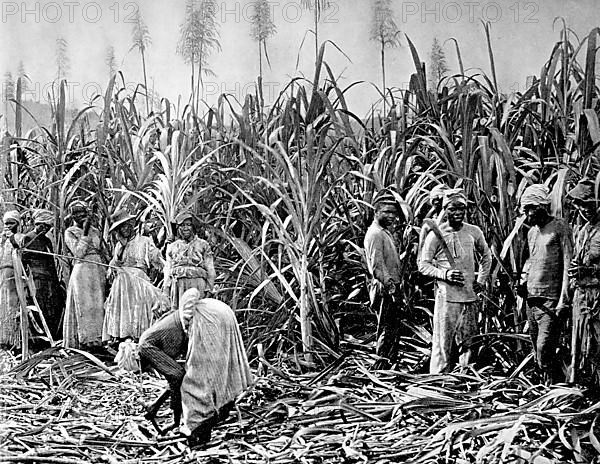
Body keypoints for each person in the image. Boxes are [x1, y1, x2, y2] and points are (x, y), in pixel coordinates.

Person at [419, 188, 492, 373]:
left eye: (462, 208)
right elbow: (423, 265)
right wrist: (445, 274)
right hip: (447, 298)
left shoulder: (473, 232)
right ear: (445, 209)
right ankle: (438, 382)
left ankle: (464, 378)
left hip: (469, 297)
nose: (458, 213)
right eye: (452, 209)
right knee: (443, 343)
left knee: (468, 342)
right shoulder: (436, 234)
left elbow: (486, 256)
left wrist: (481, 280)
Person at [180, 289, 252, 448]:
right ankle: (217, 410)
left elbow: (180, 372)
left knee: (196, 378)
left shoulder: (182, 320)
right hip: (221, 312)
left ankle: (195, 427)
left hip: (208, 319)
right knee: (221, 367)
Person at [520, 183, 573, 384]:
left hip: (551, 299)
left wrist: (563, 300)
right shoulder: (532, 232)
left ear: (541, 206)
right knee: (536, 347)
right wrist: (524, 281)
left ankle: (556, 385)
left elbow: (568, 263)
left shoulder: (560, 227)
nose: (527, 214)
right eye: (525, 209)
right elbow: (531, 259)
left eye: (529, 209)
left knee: (545, 346)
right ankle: (545, 388)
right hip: (532, 298)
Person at [103, 209, 166, 343]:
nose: (124, 229)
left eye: (126, 225)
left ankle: (139, 338)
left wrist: (161, 253)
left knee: (140, 308)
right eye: (120, 227)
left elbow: (155, 258)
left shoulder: (144, 241)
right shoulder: (119, 246)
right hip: (122, 283)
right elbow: (114, 266)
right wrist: (122, 247)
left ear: (131, 224)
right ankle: (123, 338)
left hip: (138, 280)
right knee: (125, 310)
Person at [138, 295, 193, 429]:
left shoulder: (179, 320)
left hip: (151, 342)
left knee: (176, 374)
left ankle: (154, 407)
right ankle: (175, 421)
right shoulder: (176, 326)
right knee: (177, 376)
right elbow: (175, 375)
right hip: (148, 346)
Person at [363, 189, 404, 368]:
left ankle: (389, 362)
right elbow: (377, 267)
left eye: (393, 213)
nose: (391, 216)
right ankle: (383, 366)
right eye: (386, 212)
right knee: (386, 328)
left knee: (392, 326)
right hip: (384, 287)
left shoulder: (383, 232)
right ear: (376, 212)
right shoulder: (375, 234)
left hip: (390, 286)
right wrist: (390, 286)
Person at [567, 179, 600, 386]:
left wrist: (591, 269)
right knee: (581, 342)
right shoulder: (582, 230)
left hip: (597, 296)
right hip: (581, 295)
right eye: (580, 204)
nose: (584, 209)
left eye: (589, 204)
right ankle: (585, 386)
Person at [63, 200, 107, 349]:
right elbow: (78, 253)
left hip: (97, 269)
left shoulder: (96, 230)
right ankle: (86, 340)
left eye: (82, 213)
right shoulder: (70, 232)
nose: (79, 217)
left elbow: (100, 249)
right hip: (82, 270)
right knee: (85, 304)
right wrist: (85, 232)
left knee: (97, 304)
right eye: (76, 214)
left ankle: (99, 340)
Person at [21, 209, 64, 340]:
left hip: (49, 278)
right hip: (36, 278)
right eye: (42, 225)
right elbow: (23, 261)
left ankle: (53, 335)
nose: (45, 229)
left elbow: (51, 262)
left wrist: (57, 281)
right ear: (36, 223)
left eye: (48, 227)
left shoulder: (47, 241)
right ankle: (39, 338)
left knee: (52, 306)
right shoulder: (28, 238)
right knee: (39, 305)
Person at [164, 212, 215, 311]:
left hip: (197, 283)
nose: (185, 228)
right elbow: (168, 269)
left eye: (188, 225)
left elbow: (210, 268)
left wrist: (209, 287)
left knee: (198, 313)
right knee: (179, 315)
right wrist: (166, 288)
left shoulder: (203, 245)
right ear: (178, 228)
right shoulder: (172, 247)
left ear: (193, 227)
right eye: (182, 225)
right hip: (178, 285)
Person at [0, 211, 24, 349]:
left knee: (13, 303)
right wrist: (3, 241)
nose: (8, 226)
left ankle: (15, 340)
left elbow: (21, 252)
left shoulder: (21, 237)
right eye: (6, 223)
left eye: (11, 223)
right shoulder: (2, 239)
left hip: (15, 272)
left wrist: (12, 239)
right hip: (3, 272)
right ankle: (3, 338)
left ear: (18, 224)